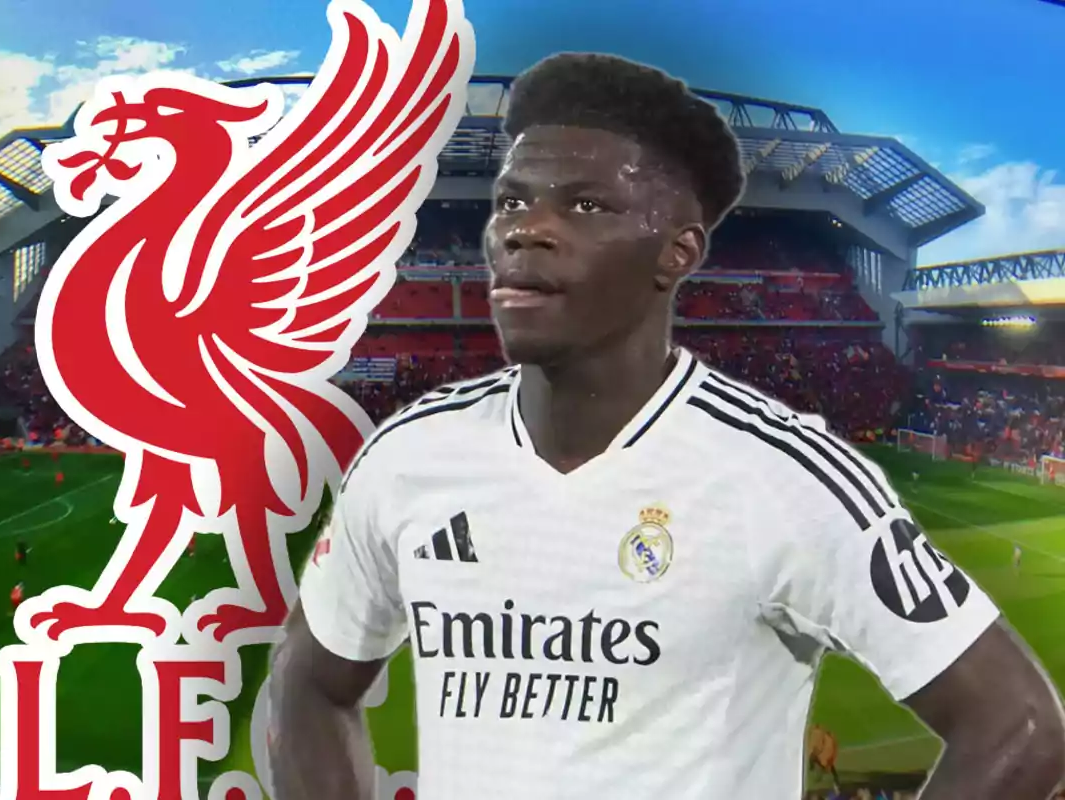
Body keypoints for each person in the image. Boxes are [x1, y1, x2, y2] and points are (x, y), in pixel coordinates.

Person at [268, 53, 1065, 799]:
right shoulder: (409, 456)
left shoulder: (786, 475)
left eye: (585, 204)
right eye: (512, 199)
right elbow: (307, 683)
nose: (523, 228)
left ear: (677, 253)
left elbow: (1019, 726)